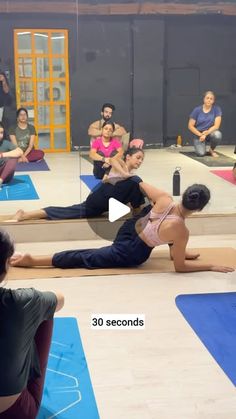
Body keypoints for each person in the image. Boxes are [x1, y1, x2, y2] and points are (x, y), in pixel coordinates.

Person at [10, 183, 234, 274]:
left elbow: (139, 183)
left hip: (128, 229)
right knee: (88, 257)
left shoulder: (165, 199)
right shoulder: (182, 232)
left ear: (184, 193)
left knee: (148, 207)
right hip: (131, 252)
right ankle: (34, 260)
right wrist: (211, 266)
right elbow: (180, 268)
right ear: (200, 208)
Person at [0, 229, 64, 418]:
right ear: (5, 266)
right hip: (13, 412)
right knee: (44, 311)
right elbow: (60, 299)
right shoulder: (22, 302)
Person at [9, 147, 145, 221]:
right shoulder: (121, 164)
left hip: (105, 200)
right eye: (138, 158)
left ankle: (26, 214)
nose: (139, 161)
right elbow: (113, 160)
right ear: (128, 157)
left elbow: (106, 180)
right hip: (99, 199)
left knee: (136, 185)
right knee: (135, 182)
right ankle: (25, 215)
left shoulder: (129, 176)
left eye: (142, 160)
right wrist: (124, 174)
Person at [188, 91, 222, 157]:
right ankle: (201, 144)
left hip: (209, 132)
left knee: (217, 134)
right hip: (199, 134)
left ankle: (211, 150)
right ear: (204, 99)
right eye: (207, 98)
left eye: (211, 99)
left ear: (213, 101)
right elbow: (190, 126)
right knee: (201, 154)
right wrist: (200, 134)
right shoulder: (197, 110)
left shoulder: (217, 109)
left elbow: (216, 126)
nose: (209, 100)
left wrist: (206, 133)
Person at [0, 122, 23, 188]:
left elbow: (20, 152)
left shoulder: (5, 143)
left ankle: (0, 181)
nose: (0, 135)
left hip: (4, 177)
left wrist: (2, 155)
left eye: (1, 133)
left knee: (13, 158)